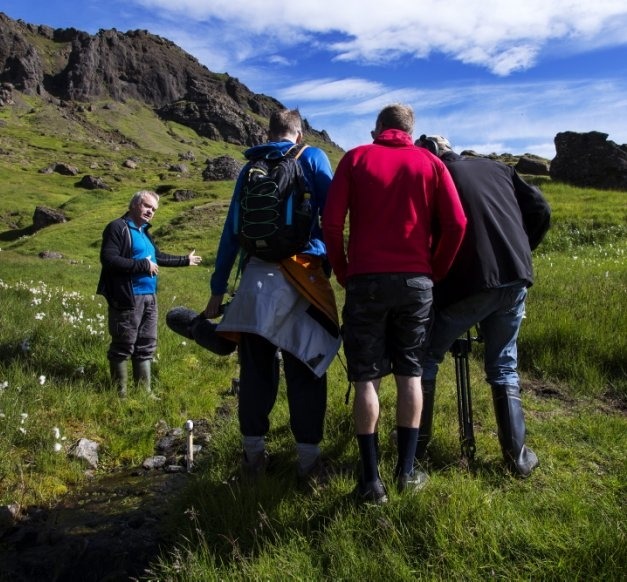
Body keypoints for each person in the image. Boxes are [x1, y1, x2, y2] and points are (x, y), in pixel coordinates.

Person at [322, 105, 467, 504]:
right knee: (410, 373)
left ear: (378, 129)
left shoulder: (356, 158)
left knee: (365, 377)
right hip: (415, 281)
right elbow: (457, 224)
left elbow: (331, 223)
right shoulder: (430, 163)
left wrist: (343, 269)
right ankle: (405, 473)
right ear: (409, 130)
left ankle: (370, 482)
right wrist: (432, 271)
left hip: (365, 280)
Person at [204, 108, 340, 486]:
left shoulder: (252, 167)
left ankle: (252, 458)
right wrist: (336, 262)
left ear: (270, 133)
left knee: (256, 371)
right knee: (307, 369)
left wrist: (217, 290)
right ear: (299, 133)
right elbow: (332, 215)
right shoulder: (312, 157)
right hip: (303, 278)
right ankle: (309, 464)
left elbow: (232, 230)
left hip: (254, 283)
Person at [415, 135, 551, 477]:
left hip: (471, 285)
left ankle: (415, 450)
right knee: (504, 364)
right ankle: (517, 457)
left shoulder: (435, 178)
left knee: (426, 356)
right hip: (516, 278)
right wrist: (521, 250)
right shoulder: (498, 169)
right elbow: (541, 209)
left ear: (430, 155)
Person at [97, 190, 202, 398]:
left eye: (154, 209)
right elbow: (108, 259)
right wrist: (142, 265)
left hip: (149, 297)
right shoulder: (118, 228)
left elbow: (158, 257)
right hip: (127, 297)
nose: (151, 212)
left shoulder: (144, 231)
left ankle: (144, 393)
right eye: (147, 206)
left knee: (146, 343)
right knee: (123, 343)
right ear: (135, 204)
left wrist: (185, 260)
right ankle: (120, 395)